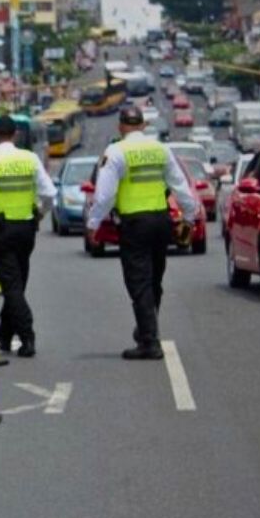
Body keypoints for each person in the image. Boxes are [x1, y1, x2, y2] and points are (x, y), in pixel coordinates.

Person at [86, 105, 199, 360]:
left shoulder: (116, 152)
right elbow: (180, 187)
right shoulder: (161, 150)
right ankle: (146, 330)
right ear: (144, 125)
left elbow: (105, 195)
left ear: (120, 126)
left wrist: (93, 224)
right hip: (161, 221)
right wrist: (189, 218)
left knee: (139, 283)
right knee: (154, 280)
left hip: (134, 224)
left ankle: (150, 343)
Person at [0, 116, 57, 357]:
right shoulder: (30, 159)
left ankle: (27, 336)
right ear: (15, 134)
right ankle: (5, 334)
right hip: (26, 228)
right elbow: (49, 193)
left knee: (11, 286)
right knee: (16, 283)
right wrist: (40, 214)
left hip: (0, 230)